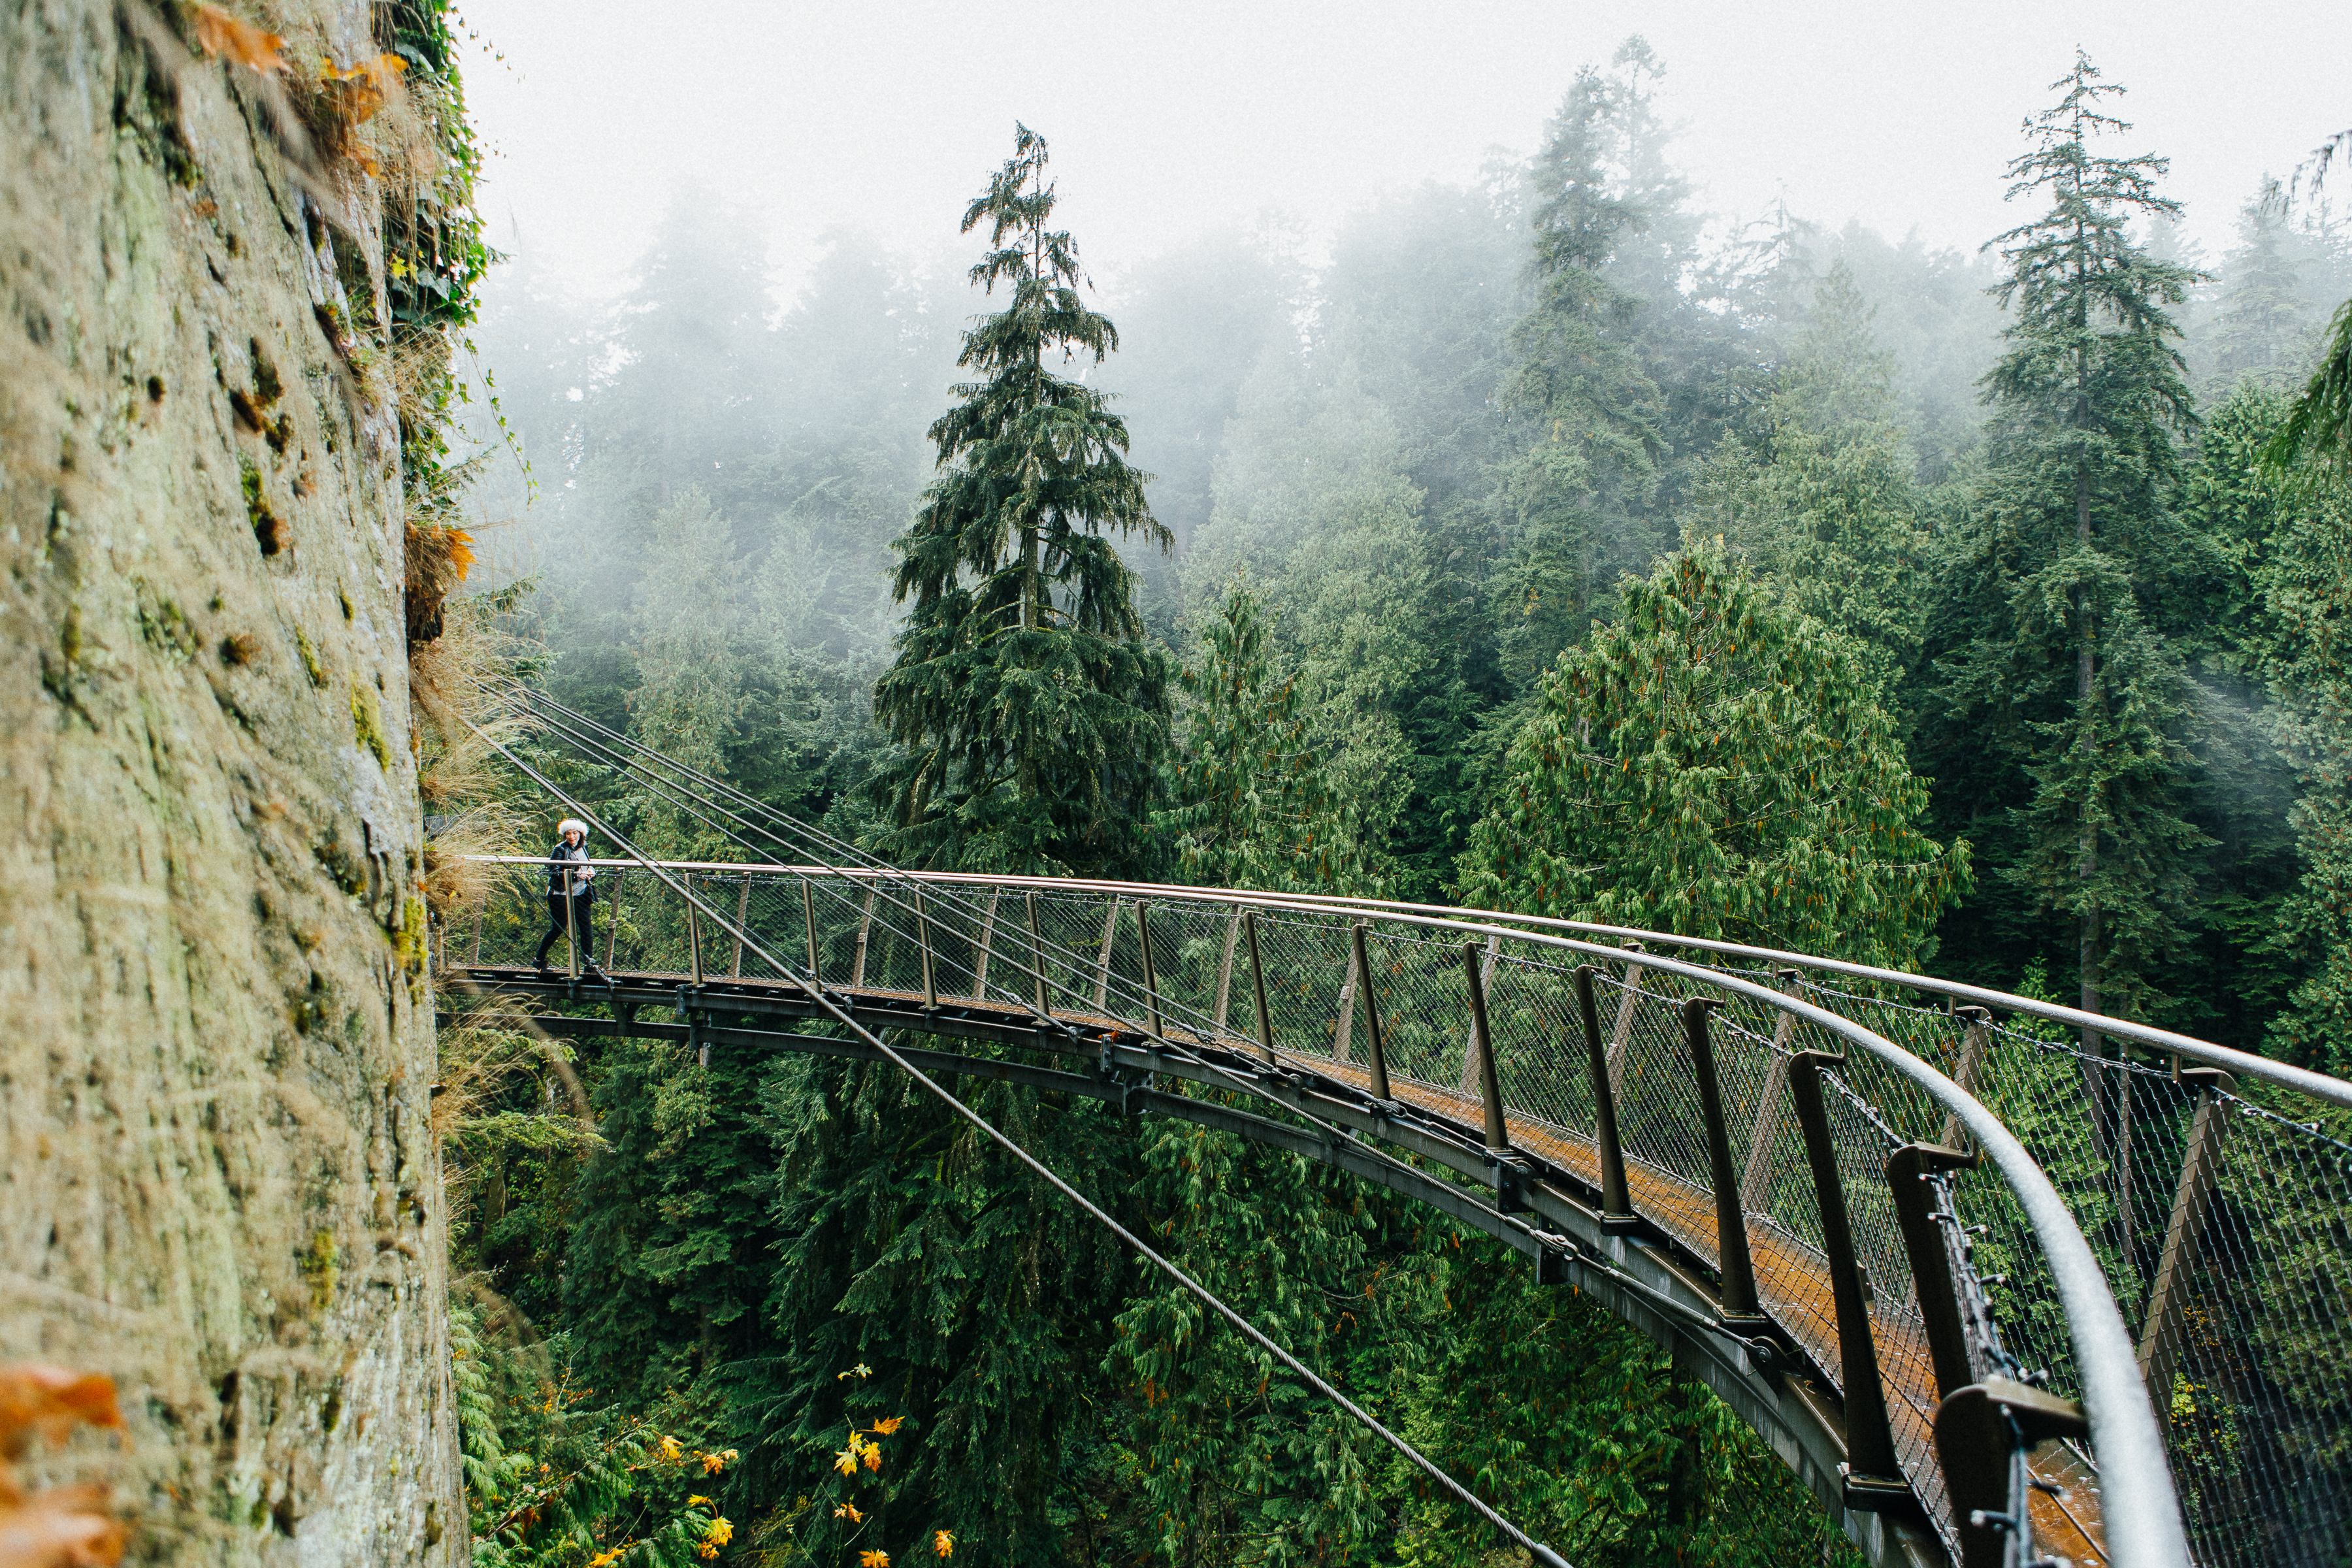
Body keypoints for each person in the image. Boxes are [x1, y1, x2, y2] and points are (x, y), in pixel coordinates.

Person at [534, 818, 604, 976]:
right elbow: (554, 871)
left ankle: (589, 963)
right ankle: (539, 959)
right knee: (558, 928)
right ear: (564, 834)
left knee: (586, 928)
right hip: (560, 895)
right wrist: (575, 875)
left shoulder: (583, 847)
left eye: (574, 833)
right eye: (568, 833)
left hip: (580, 893)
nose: (571, 836)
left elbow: (587, 864)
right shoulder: (559, 849)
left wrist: (591, 871)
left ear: (581, 833)